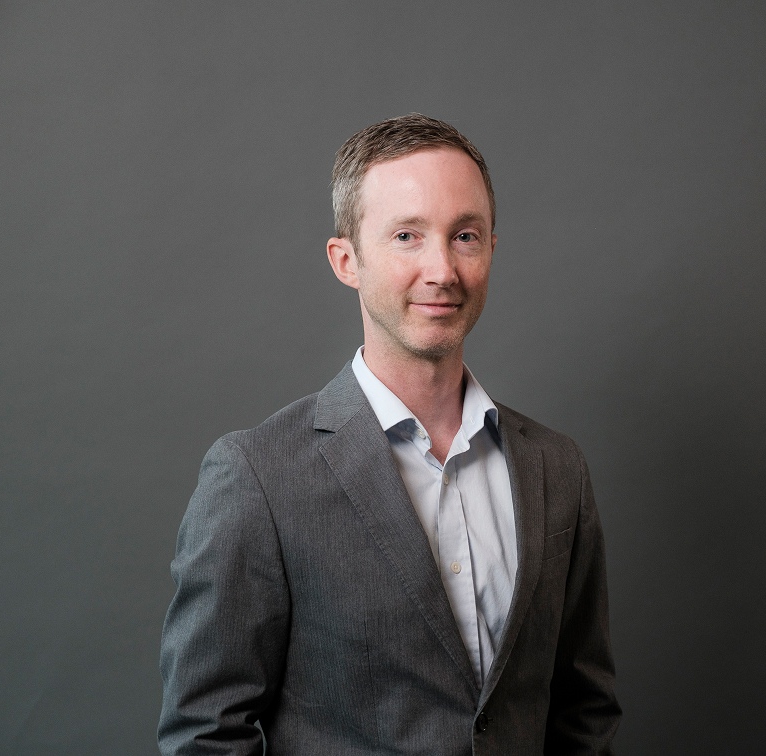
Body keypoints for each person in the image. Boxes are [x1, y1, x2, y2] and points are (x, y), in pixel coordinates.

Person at [158, 113, 621, 754]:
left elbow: (584, 715)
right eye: (407, 236)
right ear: (346, 260)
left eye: (465, 236)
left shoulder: (556, 469)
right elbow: (204, 735)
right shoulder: (259, 477)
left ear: (491, 248)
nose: (442, 270)